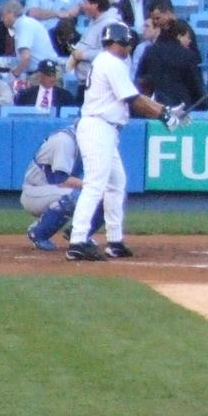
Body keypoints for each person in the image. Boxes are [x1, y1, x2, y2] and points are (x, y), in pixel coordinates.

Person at [65, 23, 183, 262]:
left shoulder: (106, 61)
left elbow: (136, 99)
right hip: (98, 126)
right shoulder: (111, 62)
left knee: (116, 182)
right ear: (118, 42)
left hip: (105, 128)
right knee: (95, 185)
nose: (129, 47)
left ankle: (115, 241)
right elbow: (135, 101)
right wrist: (164, 115)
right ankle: (77, 241)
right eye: (127, 43)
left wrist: (167, 111)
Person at [21, 122, 86, 253]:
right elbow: (61, 180)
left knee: (104, 196)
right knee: (77, 196)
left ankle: (81, 236)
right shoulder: (65, 140)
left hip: (54, 190)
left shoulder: (88, 142)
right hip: (35, 192)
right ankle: (38, 232)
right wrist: (92, 186)